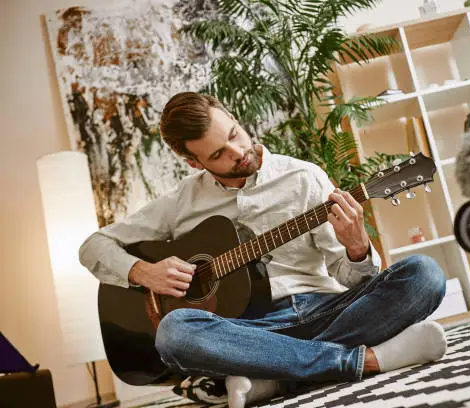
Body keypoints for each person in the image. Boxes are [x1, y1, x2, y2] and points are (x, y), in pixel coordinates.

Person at [79, 92, 448, 408]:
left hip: (325, 310)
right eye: (220, 154)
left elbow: (352, 278)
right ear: (195, 163)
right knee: (174, 332)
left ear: (236, 120)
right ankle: (362, 360)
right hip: (246, 329)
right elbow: (93, 246)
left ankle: (271, 375)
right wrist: (144, 272)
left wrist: (355, 246)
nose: (239, 151)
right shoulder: (181, 203)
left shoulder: (304, 177)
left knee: (424, 274)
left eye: (235, 134)